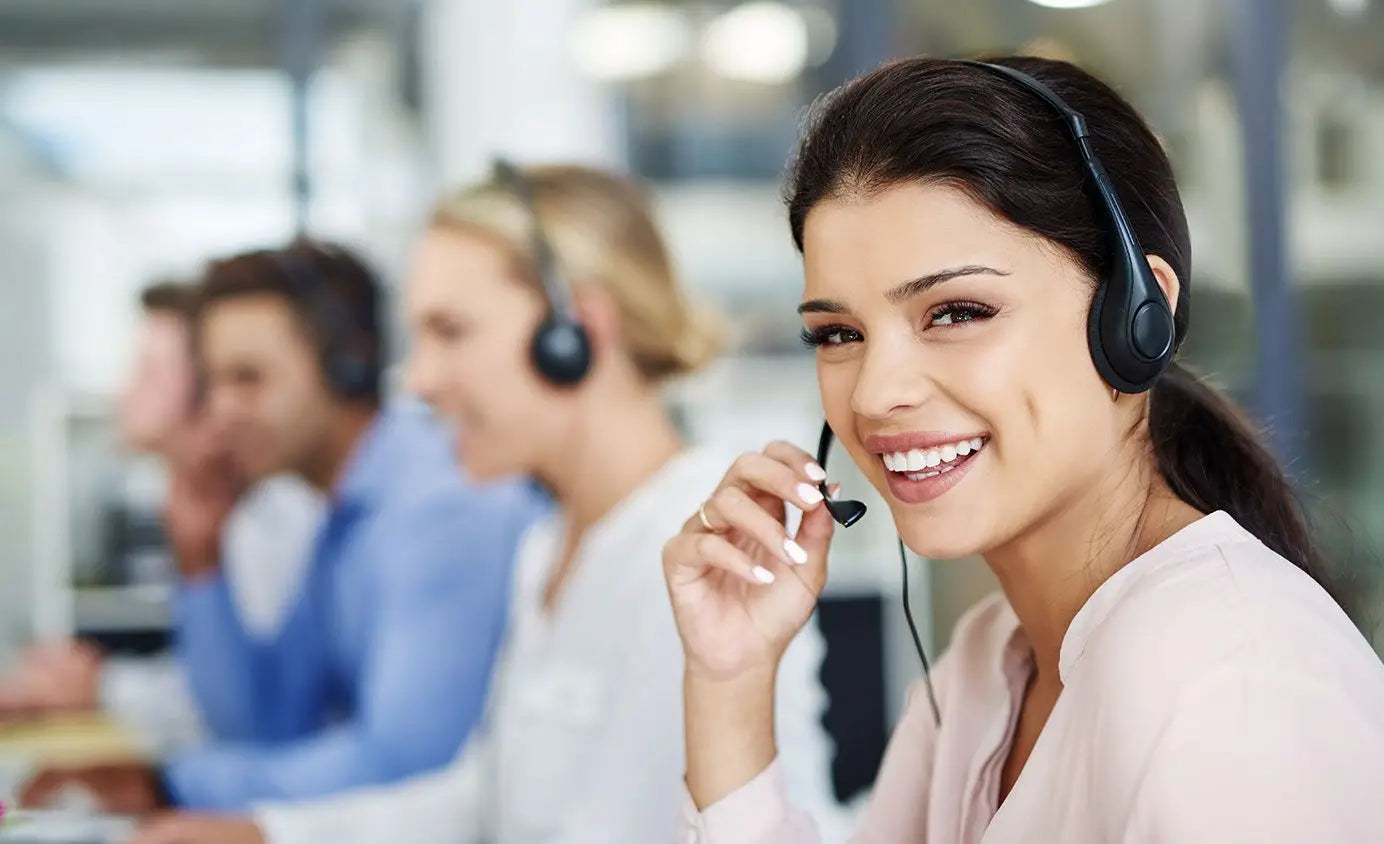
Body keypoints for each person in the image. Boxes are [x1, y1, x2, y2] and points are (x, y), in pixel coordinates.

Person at [664, 56, 1384, 843]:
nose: (874, 395)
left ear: (1136, 320)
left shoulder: (1231, 693)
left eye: (957, 312)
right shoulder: (985, 668)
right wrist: (732, 683)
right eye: (838, 334)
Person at [130, 163, 846, 844]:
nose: (418, 380)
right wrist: (269, 832)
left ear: (575, 332)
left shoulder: (706, 542)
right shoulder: (550, 543)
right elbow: (492, 799)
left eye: (451, 332)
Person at [22, 243, 546, 812]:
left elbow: (402, 766)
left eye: (248, 378)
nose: (222, 410)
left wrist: (168, 785)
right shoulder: (340, 520)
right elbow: (265, 724)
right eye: (213, 382)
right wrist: (201, 559)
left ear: (347, 367)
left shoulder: (440, 507)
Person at [0, 282, 323, 752]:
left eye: (149, 372)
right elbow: (210, 676)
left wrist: (98, 686)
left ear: (206, 391)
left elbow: (253, 712)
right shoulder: (200, 504)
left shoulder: (267, 518)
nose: (124, 391)